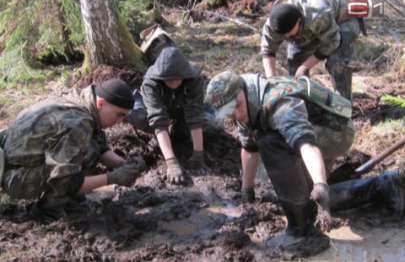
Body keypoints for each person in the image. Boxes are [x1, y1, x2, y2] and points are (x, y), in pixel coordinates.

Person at [205, 71, 354, 254]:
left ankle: (301, 229)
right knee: (266, 142)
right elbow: (249, 149)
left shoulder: (279, 104)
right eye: (229, 112)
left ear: (242, 92)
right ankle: (306, 195)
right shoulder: (247, 106)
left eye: (237, 106)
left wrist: (320, 185)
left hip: (336, 132)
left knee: (271, 143)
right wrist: (247, 190)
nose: (236, 114)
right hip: (315, 130)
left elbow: (306, 143)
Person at [0, 78, 146, 215]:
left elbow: (99, 144)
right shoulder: (79, 123)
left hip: (17, 157)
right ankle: (52, 207)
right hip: (15, 174)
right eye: (119, 115)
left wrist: (123, 164)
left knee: (91, 147)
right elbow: (65, 183)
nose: (120, 121)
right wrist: (112, 178)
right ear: (101, 103)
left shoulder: (80, 98)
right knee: (87, 155)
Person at [127, 47, 209, 184]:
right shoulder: (150, 83)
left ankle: (177, 129)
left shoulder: (194, 80)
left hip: (179, 106)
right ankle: (161, 140)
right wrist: (171, 162)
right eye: (169, 79)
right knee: (138, 116)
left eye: (178, 78)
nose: (175, 82)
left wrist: (198, 154)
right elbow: (157, 119)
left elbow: (195, 114)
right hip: (154, 108)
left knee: (206, 123)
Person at [261, 0, 364, 100]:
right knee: (295, 62)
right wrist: (271, 80)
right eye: (284, 35)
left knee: (337, 63)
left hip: (344, 16)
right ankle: (303, 104)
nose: (287, 37)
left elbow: (332, 42)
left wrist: (305, 67)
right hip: (312, 28)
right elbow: (267, 50)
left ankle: (343, 104)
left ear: (298, 21)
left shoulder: (317, 15)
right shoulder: (274, 23)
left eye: (289, 33)